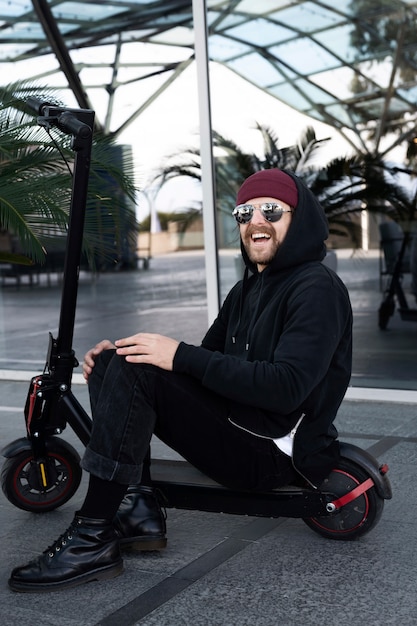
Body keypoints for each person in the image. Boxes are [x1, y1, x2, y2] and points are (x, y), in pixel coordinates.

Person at [8, 168, 352, 593]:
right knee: (122, 359)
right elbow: (203, 365)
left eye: (271, 210)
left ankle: (93, 534)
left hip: (275, 451)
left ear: (299, 219)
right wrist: (126, 359)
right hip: (244, 427)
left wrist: (176, 356)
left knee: (139, 366)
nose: (255, 222)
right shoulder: (248, 290)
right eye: (244, 213)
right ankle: (138, 509)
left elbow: (286, 388)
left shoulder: (316, 288)